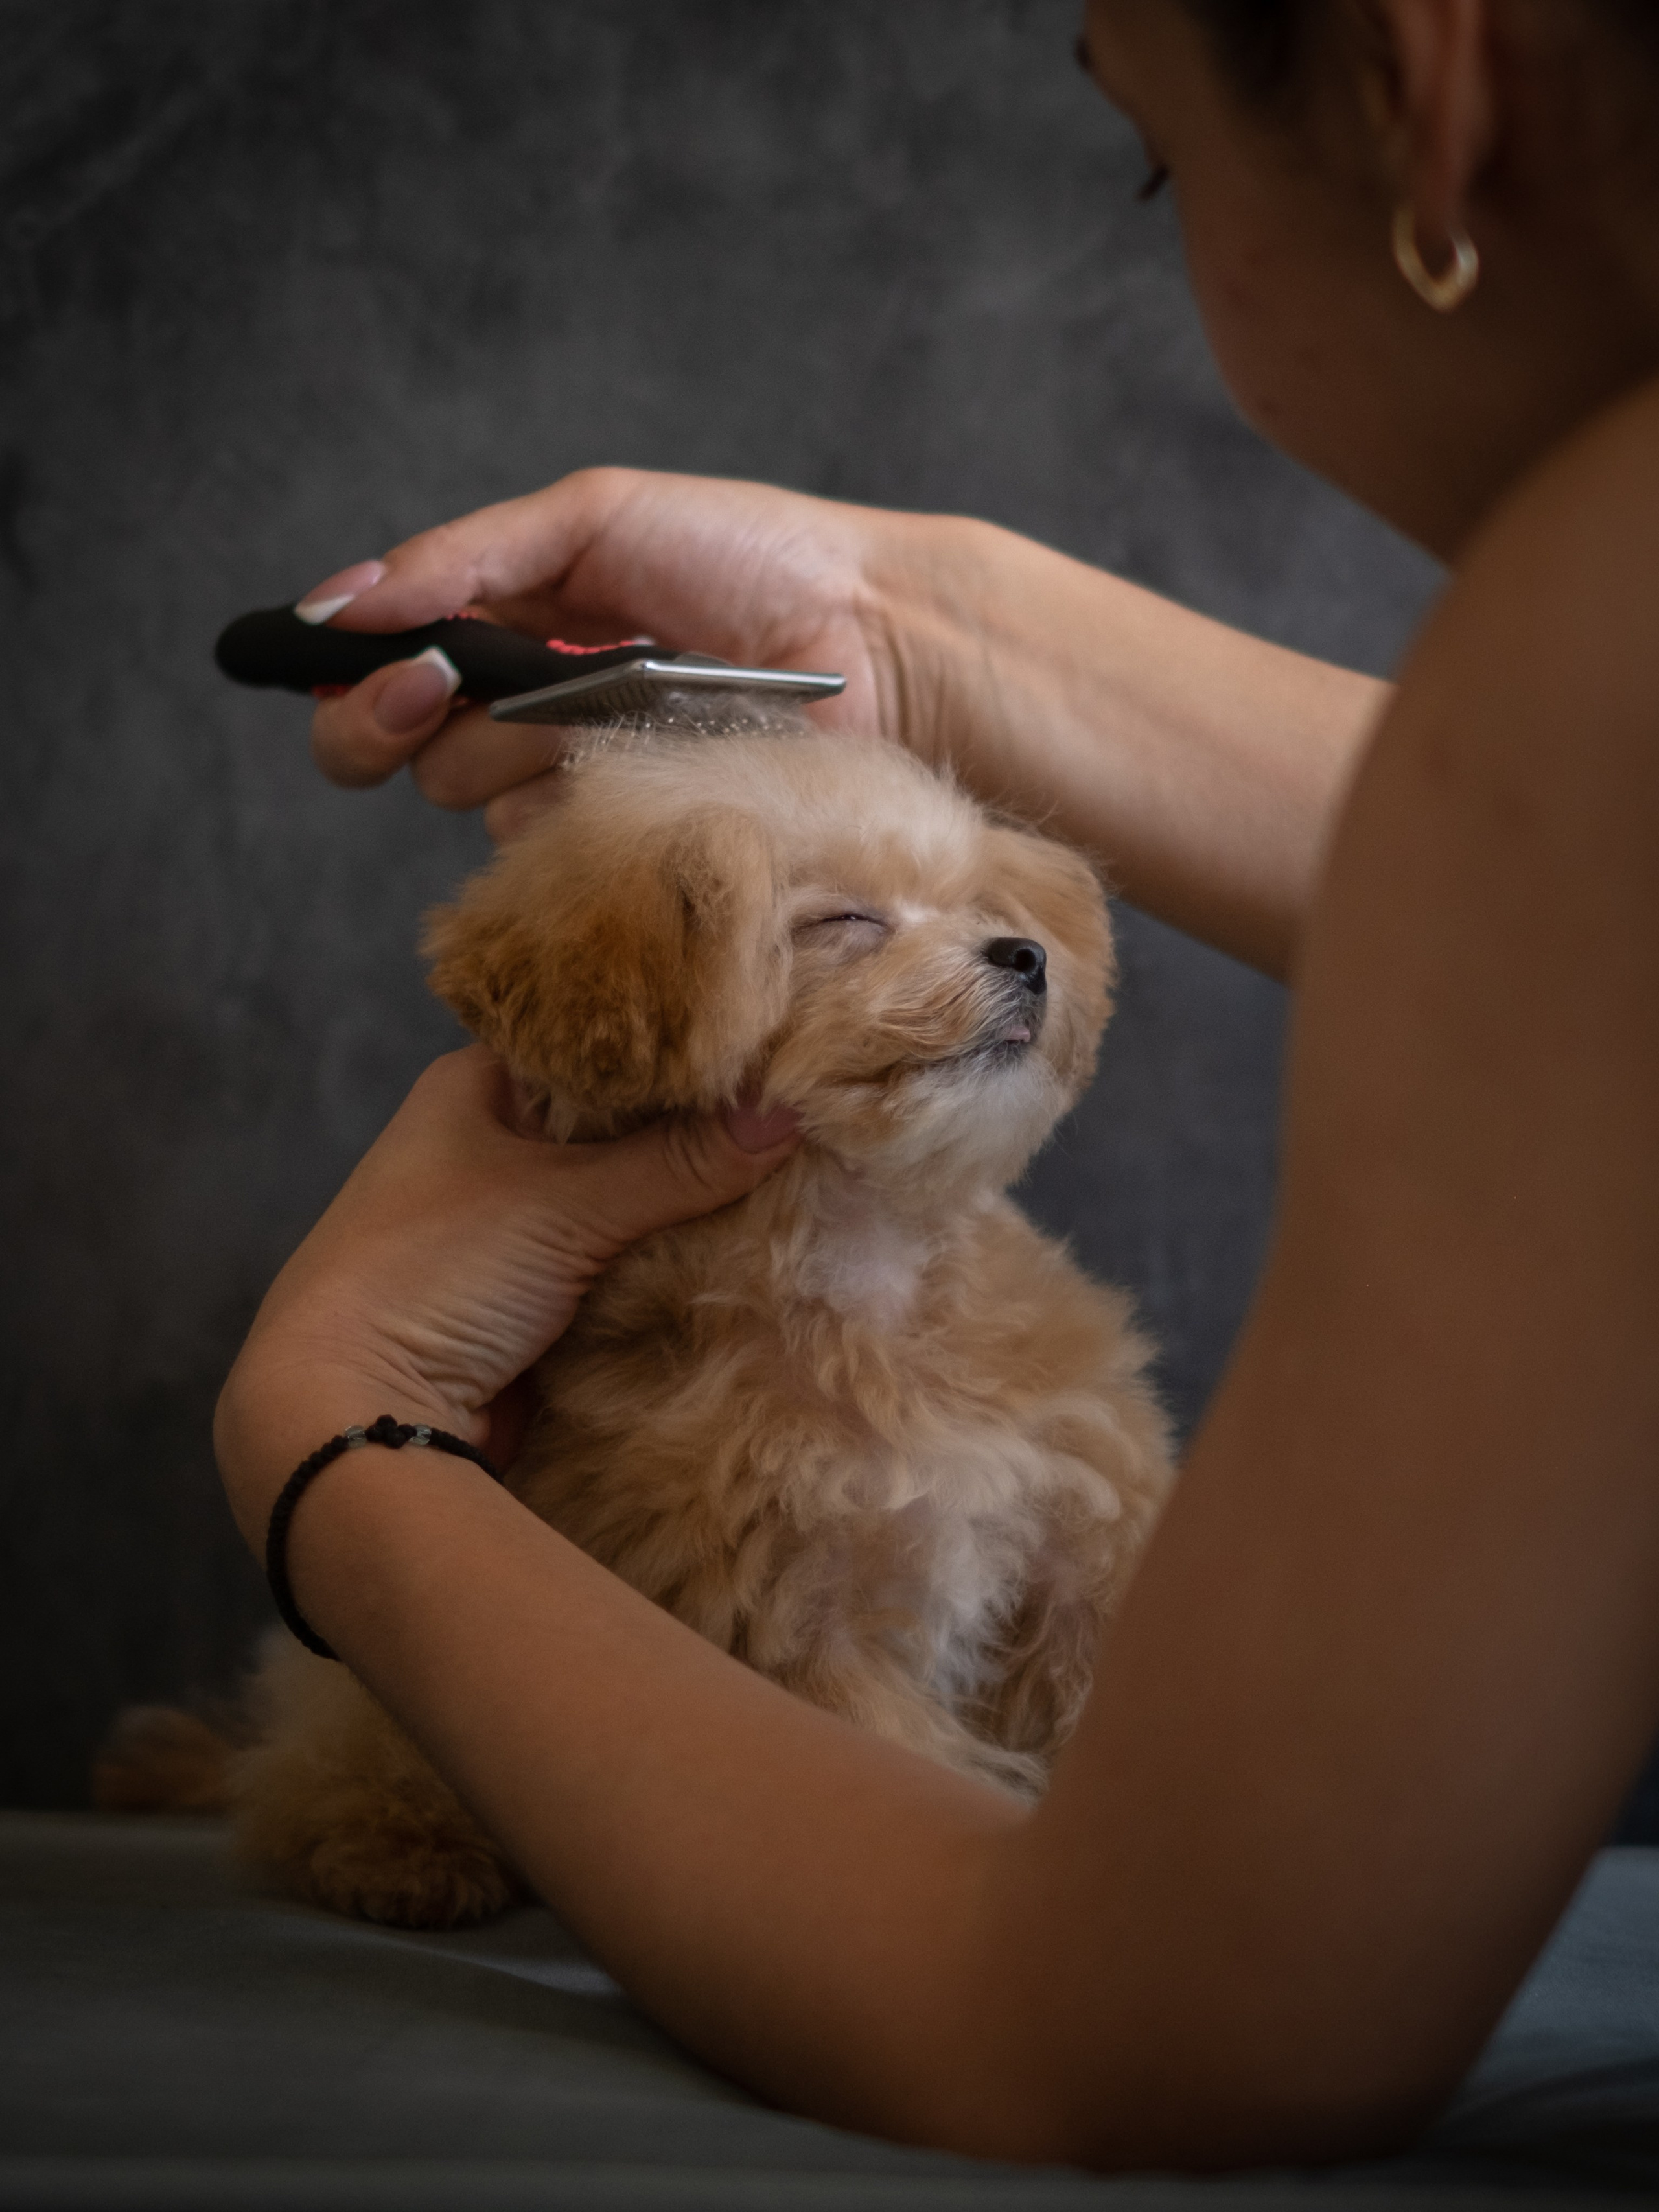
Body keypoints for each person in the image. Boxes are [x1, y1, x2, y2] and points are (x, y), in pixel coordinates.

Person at [213, 0, 1659, 2172]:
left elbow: (1146, 2036)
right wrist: (901, 621)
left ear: (1430, 87)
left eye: (1157, 162)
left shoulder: (1592, 641)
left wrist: (344, 1445)